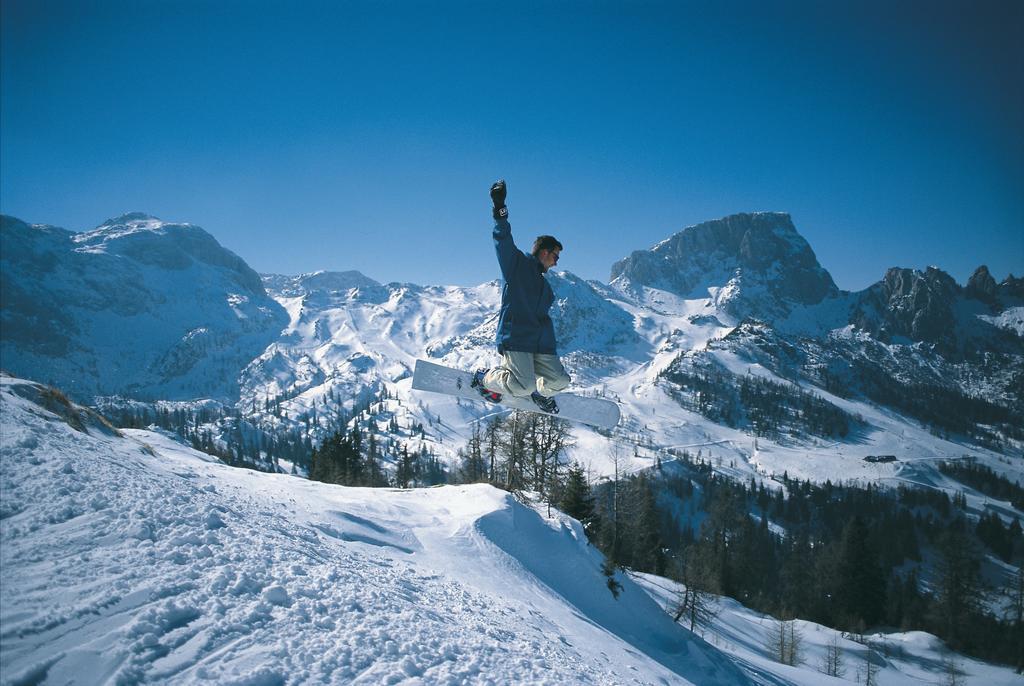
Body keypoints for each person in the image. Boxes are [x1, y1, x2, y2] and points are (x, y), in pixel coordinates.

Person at [472, 180, 571, 413]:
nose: (557, 261)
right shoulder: (517, 266)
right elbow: (502, 239)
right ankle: (485, 377)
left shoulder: (545, 288)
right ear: (545, 252)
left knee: (560, 381)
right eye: (555, 255)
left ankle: (538, 393)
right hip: (516, 338)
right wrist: (500, 207)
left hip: (540, 345)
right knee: (522, 385)